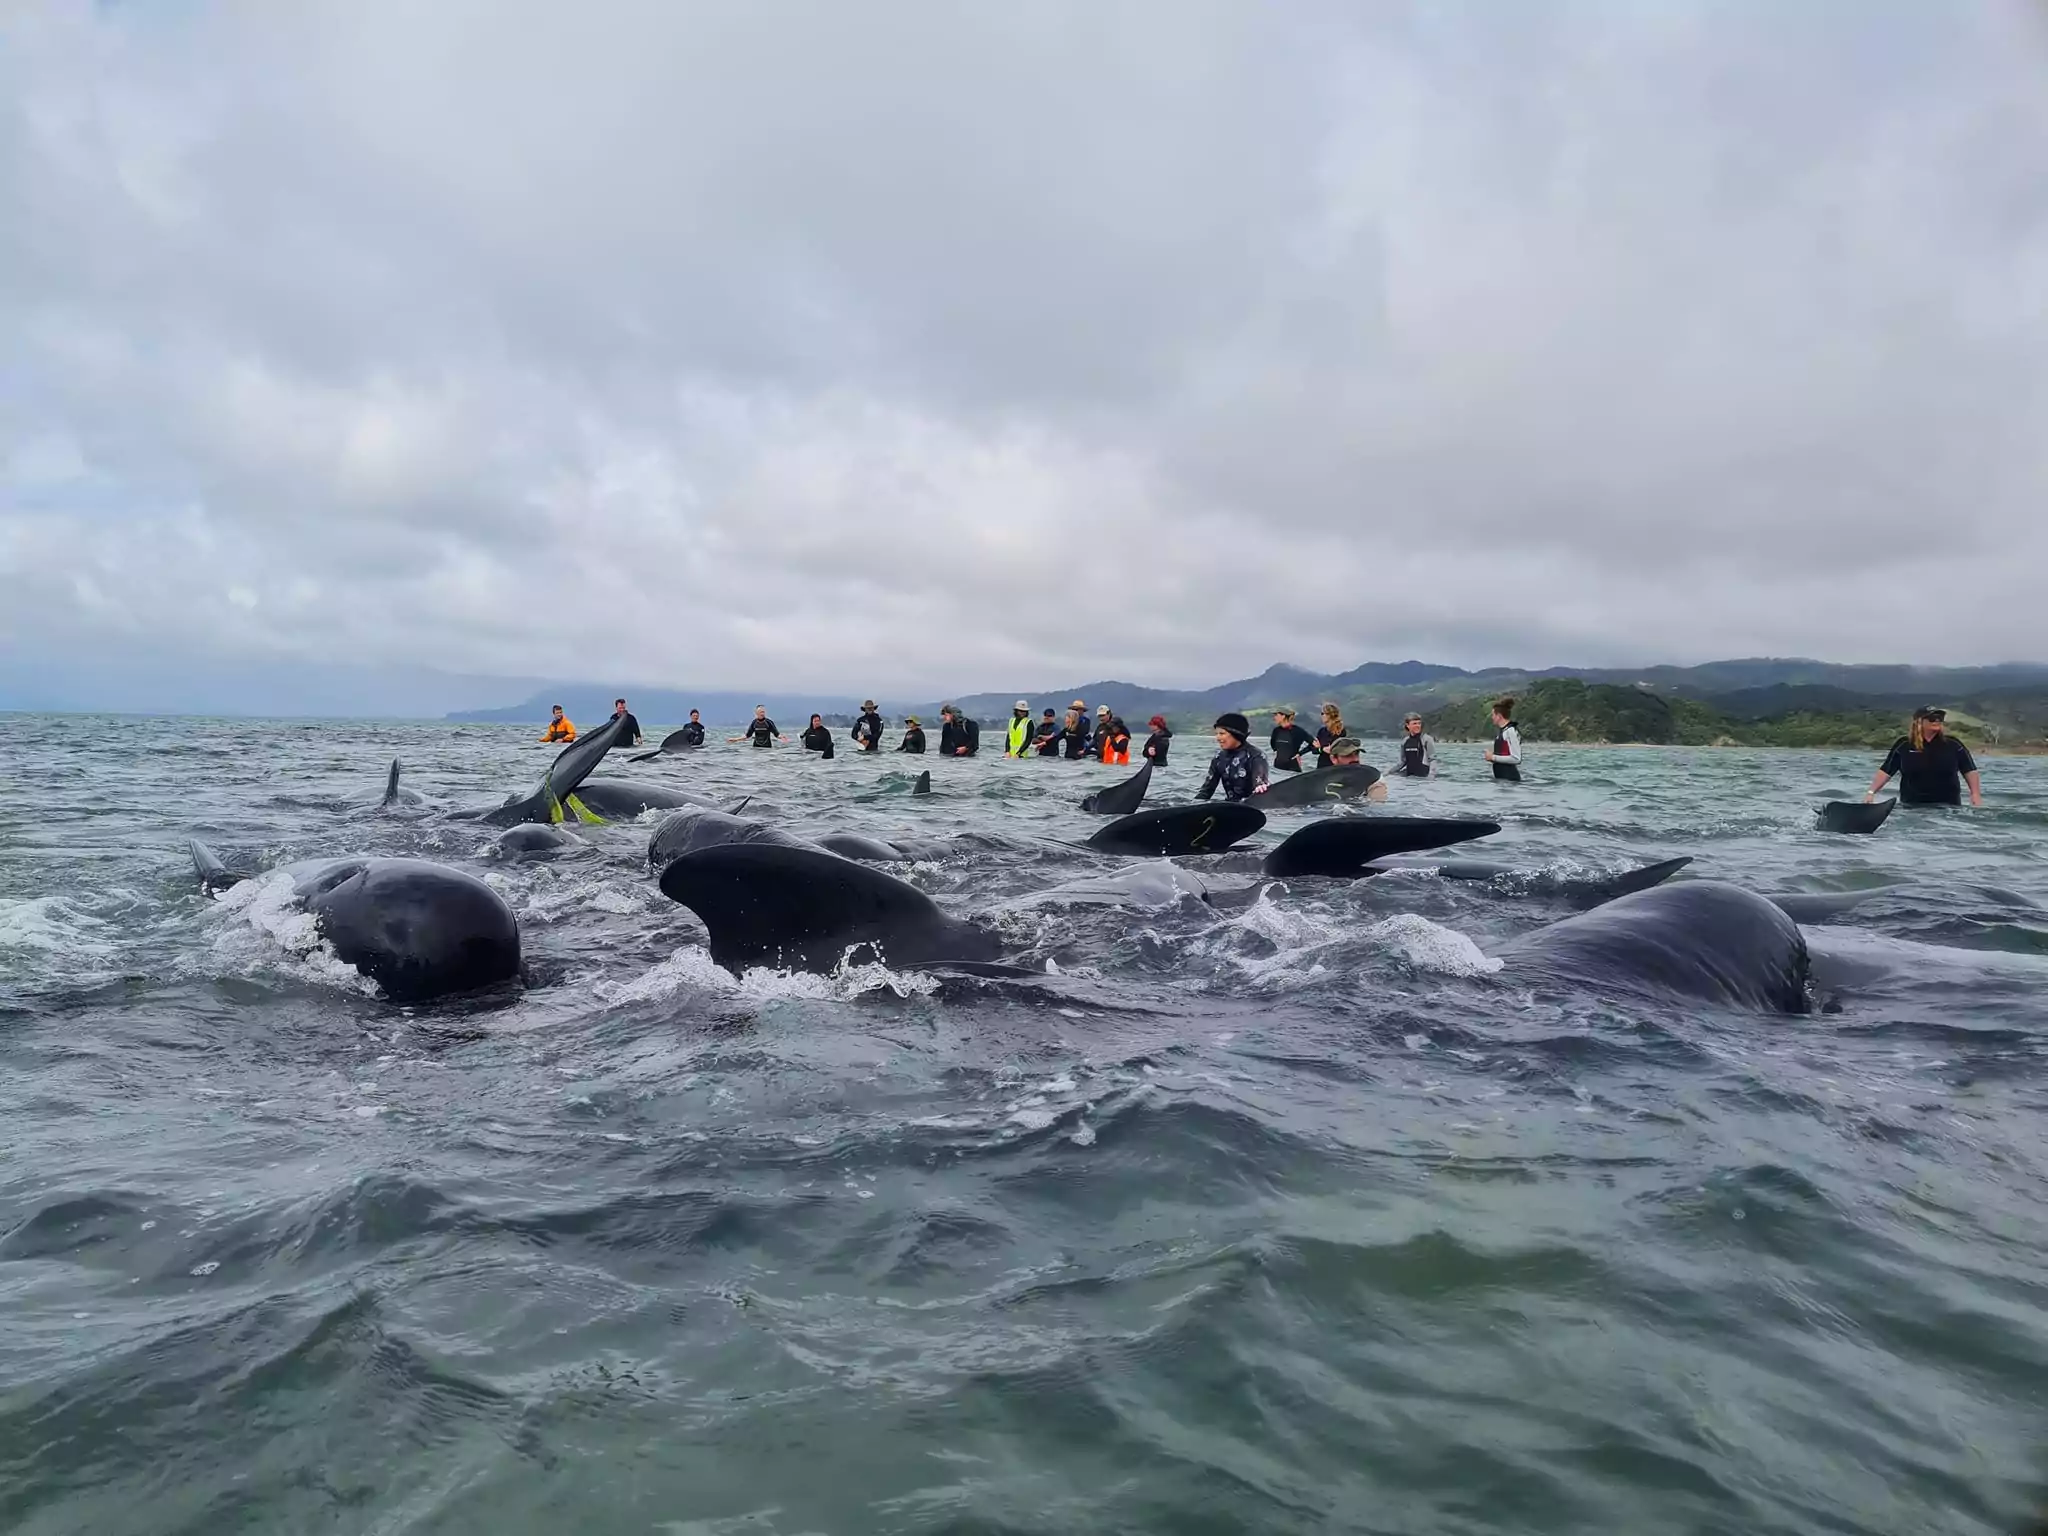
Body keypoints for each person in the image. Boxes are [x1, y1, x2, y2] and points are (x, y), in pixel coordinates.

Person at [1866, 706, 1983, 807]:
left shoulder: (1953, 744)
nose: (1937, 721)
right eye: (1932, 718)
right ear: (1919, 722)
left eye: (1940, 718)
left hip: (1948, 807)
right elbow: (1887, 770)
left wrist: (1975, 794)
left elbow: (1969, 770)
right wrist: (1871, 793)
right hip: (1912, 806)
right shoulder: (1904, 744)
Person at [1196, 714, 1270, 802]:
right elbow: (1206, 791)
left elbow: (1260, 784)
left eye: (1222, 733)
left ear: (1237, 734)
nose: (1218, 738)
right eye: (1216, 734)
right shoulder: (1219, 757)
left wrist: (1261, 787)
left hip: (1252, 807)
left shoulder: (1256, 756)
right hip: (1230, 805)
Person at [1326, 736, 1390, 801]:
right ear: (1333, 758)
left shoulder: (1371, 778)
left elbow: (1378, 806)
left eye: (1357, 754)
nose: (1356, 759)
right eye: (1348, 755)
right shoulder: (1323, 779)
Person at [1484, 697, 1523, 782]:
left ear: (1499, 716)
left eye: (1493, 715)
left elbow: (1516, 758)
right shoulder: (1503, 732)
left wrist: (1493, 757)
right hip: (1502, 780)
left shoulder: (1511, 731)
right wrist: (1491, 757)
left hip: (1510, 781)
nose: (1492, 717)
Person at [1269, 707, 1316, 773]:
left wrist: (1300, 753)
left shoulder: (1297, 731)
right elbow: (1273, 745)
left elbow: (1315, 744)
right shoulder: (1276, 731)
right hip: (1277, 769)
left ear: (1283, 716)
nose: (1274, 717)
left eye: (1276, 715)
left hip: (1292, 770)